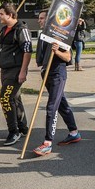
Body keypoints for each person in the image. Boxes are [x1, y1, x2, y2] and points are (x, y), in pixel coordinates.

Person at [32, 9, 82, 156]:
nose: (39, 20)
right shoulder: (42, 35)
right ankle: (74, 133)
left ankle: (47, 143)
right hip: (46, 73)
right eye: (39, 18)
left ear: (49, 21)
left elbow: (67, 57)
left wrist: (57, 51)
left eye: (42, 18)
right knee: (62, 104)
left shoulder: (59, 36)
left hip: (57, 75)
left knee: (51, 107)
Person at [0, 3, 32, 146]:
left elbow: (27, 52)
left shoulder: (21, 29)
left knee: (5, 98)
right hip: (5, 70)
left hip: (16, 70)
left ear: (10, 15)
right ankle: (23, 127)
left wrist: (23, 71)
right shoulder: (4, 30)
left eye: (1, 14)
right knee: (14, 98)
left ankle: (13, 131)